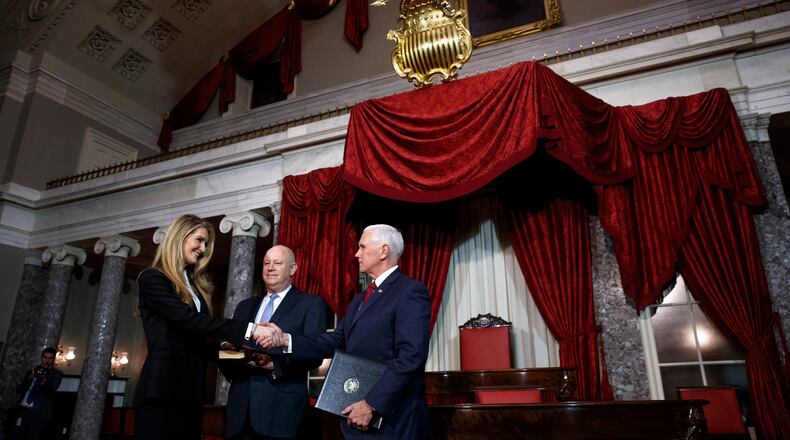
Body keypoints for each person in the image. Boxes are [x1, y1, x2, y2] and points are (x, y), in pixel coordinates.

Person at [257, 224, 431, 439]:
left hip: (393, 419)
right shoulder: (361, 298)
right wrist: (286, 340)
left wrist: (372, 404)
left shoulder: (409, 291)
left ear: (384, 251)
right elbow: (335, 340)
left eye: (362, 247)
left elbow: (412, 355)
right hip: (357, 417)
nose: (356, 254)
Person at [134, 214, 271, 440]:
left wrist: (245, 355)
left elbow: (203, 344)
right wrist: (251, 329)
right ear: (180, 237)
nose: (203, 248)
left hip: (192, 392)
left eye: (206, 243)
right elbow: (189, 321)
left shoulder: (196, 287)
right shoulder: (152, 278)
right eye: (199, 240)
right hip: (161, 391)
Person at [222, 245, 327, 440]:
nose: (270, 267)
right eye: (266, 263)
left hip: (281, 410)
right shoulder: (244, 306)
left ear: (293, 269)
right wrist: (231, 356)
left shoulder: (310, 304)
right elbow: (229, 353)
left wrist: (274, 365)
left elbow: (315, 354)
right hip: (239, 412)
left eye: (277, 263)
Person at [8, 346, 63, 440]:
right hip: (23, 410)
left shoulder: (56, 374)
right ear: (41, 358)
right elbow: (19, 390)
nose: (47, 360)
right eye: (45, 357)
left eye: (50, 358)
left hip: (39, 414)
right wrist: (29, 378)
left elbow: (51, 392)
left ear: (53, 359)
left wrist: (43, 381)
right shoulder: (33, 371)